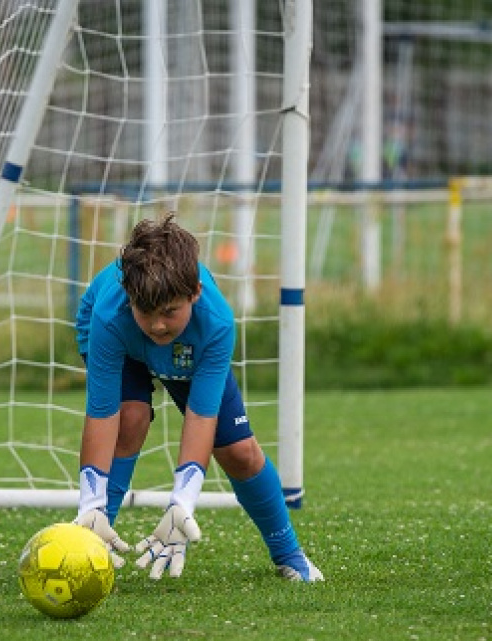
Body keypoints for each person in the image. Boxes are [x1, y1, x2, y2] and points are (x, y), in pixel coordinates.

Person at [73, 213, 323, 582]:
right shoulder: (110, 315)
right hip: (122, 344)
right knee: (130, 419)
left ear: (195, 294)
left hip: (189, 348)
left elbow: (200, 417)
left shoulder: (216, 324)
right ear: (129, 298)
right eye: (147, 313)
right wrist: (89, 500)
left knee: (239, 453)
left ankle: (289, 553)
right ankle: (90, 542)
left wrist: (182, 503)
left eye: (170, 312)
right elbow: (101, 413)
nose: (158, 325)